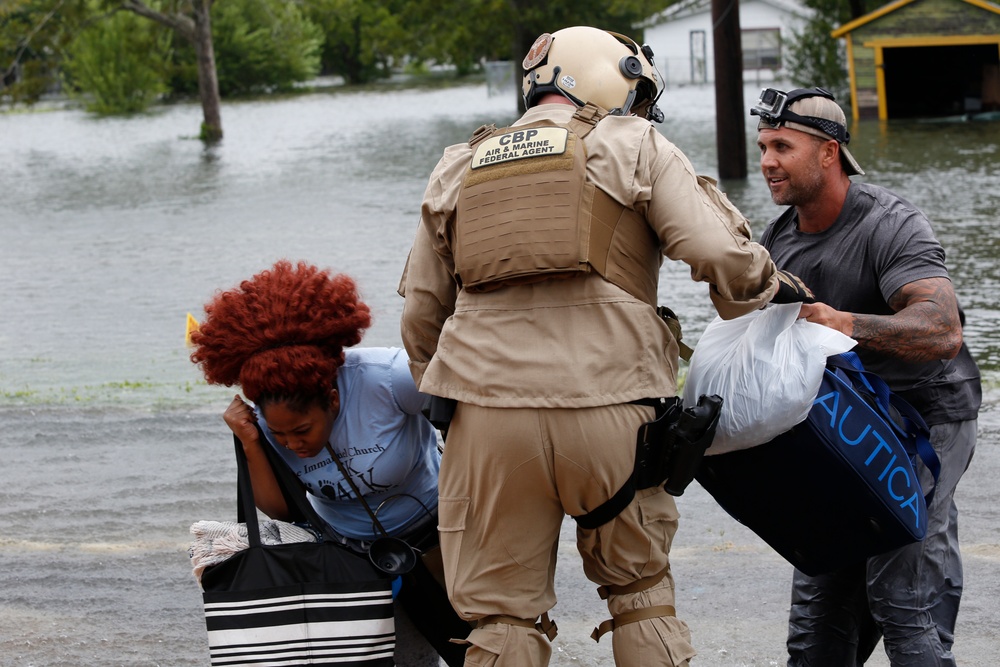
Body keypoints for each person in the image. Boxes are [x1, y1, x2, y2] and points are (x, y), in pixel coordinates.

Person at [398, 25, 809, 667]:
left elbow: (423, 316)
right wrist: (767, 288)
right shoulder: (634, 141)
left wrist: (455, 402)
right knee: (639, 594)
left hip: (488, 418)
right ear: (612, 76)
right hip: (614, 412)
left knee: (500, 618)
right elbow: (713, 253)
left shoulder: (458, 163)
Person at [752, 87, 982, 666]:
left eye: (782, 145)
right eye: (762, 147)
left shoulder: (891, 224)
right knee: (816, 612)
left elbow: (941, 330)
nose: (767, 162)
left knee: (899, 593)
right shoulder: (776, 241)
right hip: (848, 422)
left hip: (930, 415)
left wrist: (845, 322)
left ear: (829, 153)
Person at [189, 259, 469, 667]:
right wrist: (251, 440)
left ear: (333, 399)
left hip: (438, 542)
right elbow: (283, 510)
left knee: (473, 652)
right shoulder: (266, 415)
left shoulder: (389, 379)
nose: (293, 444)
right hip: (350, 556)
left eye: (302, 430)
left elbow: (469, 430)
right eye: (280, 434)